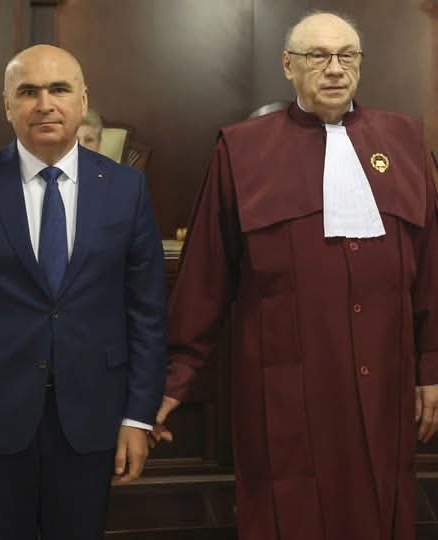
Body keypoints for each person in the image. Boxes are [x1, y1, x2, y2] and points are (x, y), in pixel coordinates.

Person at [152, 11, 438, 540]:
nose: (335, 69)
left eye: (347, 56)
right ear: (288, 65)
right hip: (284, 386)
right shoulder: (242, 150)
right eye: (317, 56)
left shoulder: (404, 143)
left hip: (385, 381)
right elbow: (204, 279)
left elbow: (431, 272)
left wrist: (431, 367)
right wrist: (174, 381)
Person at [0, 44, 167, 540]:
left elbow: (147, 313)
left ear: (83, 100)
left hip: (93, 415)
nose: (44, 104)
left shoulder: (126, 189)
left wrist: (138, 418)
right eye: (28, 92)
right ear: (7, 105)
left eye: (58, 89)